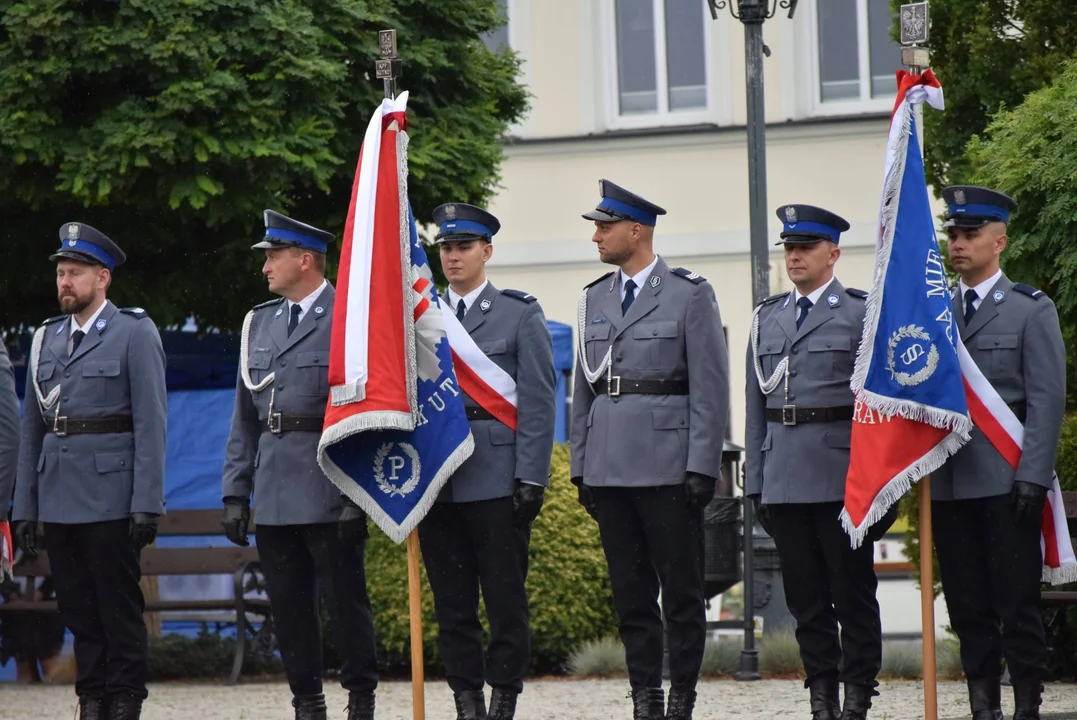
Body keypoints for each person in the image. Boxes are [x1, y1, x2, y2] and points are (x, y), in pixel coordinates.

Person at [570, 180, 729, 720]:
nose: (596, 235)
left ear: (634, 230)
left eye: (604, 226)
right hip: (610, 467)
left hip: (668, 466)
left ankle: (681, 692)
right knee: (631, 595)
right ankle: (646, 696)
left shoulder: (689, 293)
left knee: (682, 593)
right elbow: (583, 392)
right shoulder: (593, 298)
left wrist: (701, 465)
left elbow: (710, 385)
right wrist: (580, 467)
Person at [221, 210, 378, 720]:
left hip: (330, 482)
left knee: (345, 604)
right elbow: (245, 417)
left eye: (274, 255)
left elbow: (369, 410)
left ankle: (360, 699)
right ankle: (307, 702)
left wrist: (360, 493)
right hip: (274, 488)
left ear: (304, 260)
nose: (265, 266)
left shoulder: (350, 317)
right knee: (289, 609)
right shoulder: (258, 322)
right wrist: (234, 493)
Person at [743, 205, 896, 720]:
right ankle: (821, 695)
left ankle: (857, 693)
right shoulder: (767, 317)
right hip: (783, 475)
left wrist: (883, 486)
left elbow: (882, 407)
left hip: (841, 477)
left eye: (805, 247)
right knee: (805, 600)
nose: (794, 256)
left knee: (852, 593)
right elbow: (755, 405)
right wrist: (756, 483)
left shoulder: (861, 312)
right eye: (788, 247)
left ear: (832, 253)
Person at [12, 223, 167, 720]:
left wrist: (146, 503)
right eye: (60, 273)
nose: (64, 282)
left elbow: (151, 423)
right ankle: (92, 696)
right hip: (58, 497)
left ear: (103, 278)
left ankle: (124, 698)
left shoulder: (133, 332)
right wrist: (25, 508)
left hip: (111, 494)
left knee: (117, 607)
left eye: (74, 273)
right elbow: (32, 429)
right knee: (77, 607)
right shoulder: (46, 339)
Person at [418, 202, 556, 720]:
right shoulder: (422, 316)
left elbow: (539, 402)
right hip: (439, 478)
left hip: (498, 478)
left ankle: (502, 700)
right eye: (446, 248)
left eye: (463, 247)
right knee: (452, 605)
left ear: (487, 251)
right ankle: (466, 702)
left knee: (504, 602)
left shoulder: (520, 313)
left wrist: (531, 477)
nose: (452, 257)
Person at [933, 186, 1064, 720]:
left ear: (999, 241)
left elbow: (1046, 399)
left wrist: (1032, 476)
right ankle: (982, 706)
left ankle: (1027, 705)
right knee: (968, 608)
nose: (958, 244)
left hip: (1008, 480)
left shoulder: (1031, 309)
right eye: (954, 235)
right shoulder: (934, 309)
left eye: (970, 235)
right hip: (949, 481)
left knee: (1017, 605)